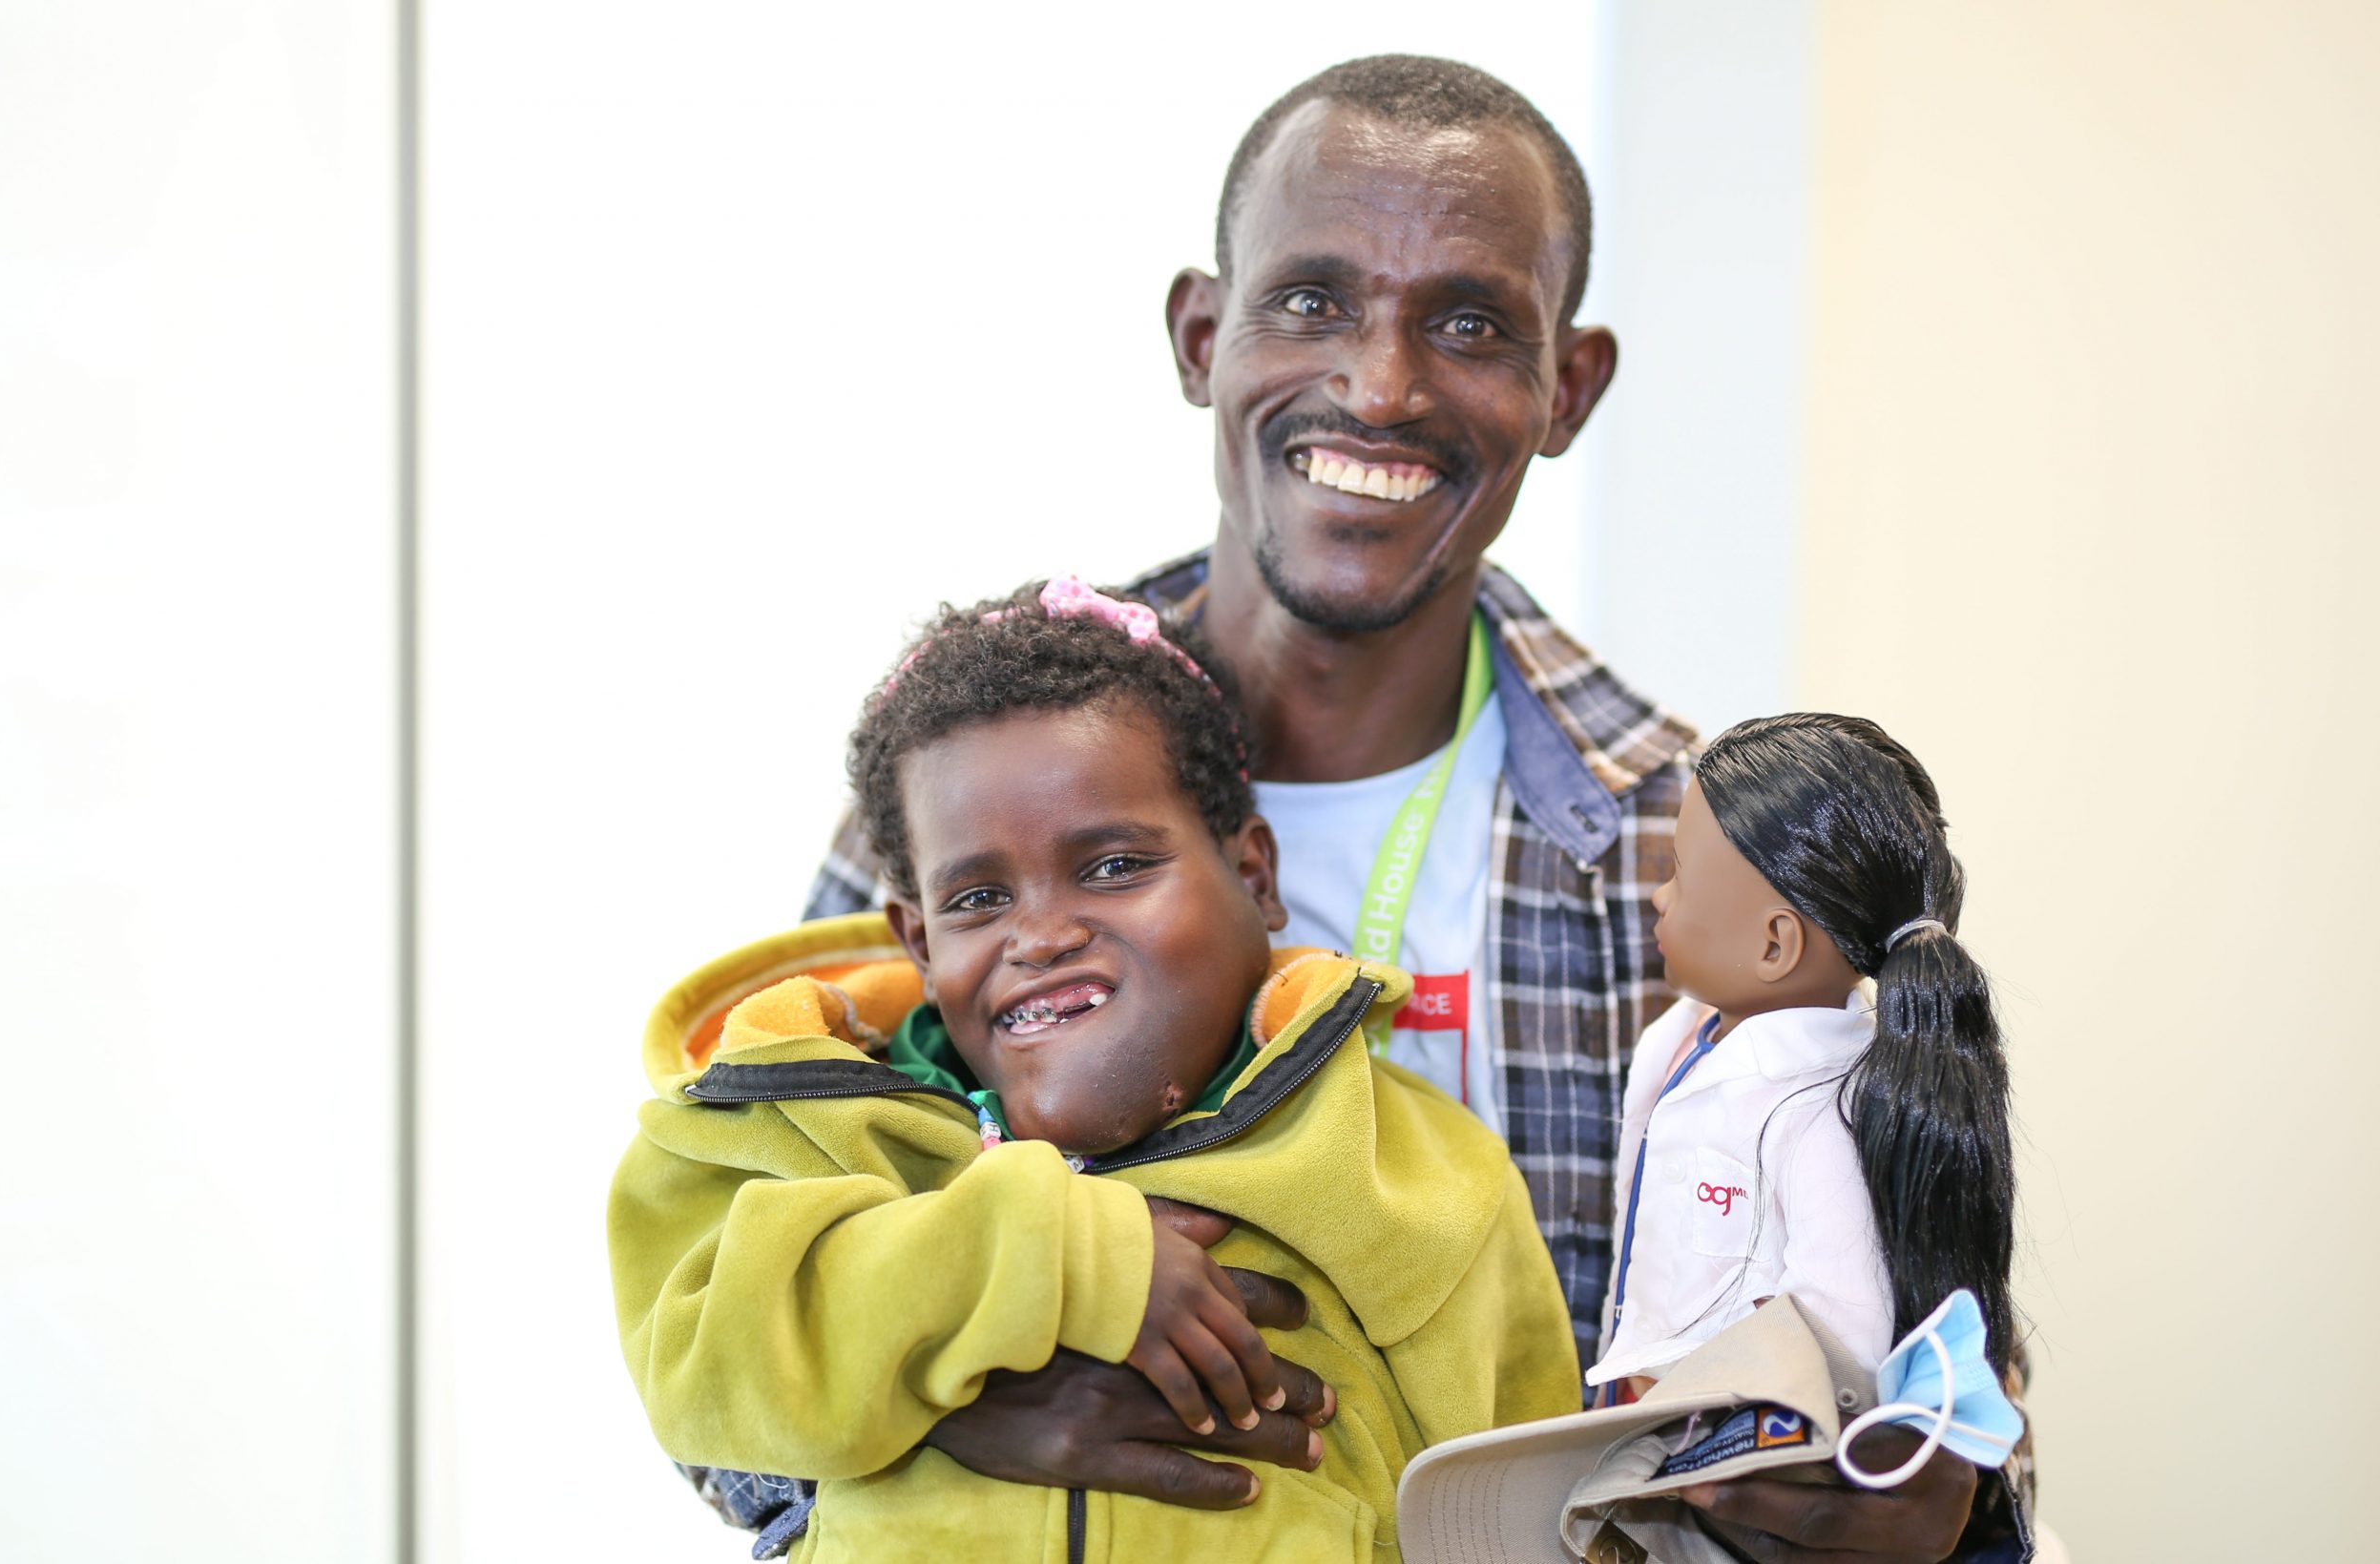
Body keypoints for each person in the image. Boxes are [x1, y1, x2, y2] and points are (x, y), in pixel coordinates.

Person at [738, 53, 2027, 1563]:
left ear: (1570, 387)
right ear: (1201, 337)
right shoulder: (962, 796)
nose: (1382, 384)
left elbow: (1933, 1381)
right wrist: (924, 1428)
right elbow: (732, 1316)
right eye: (1311, 303)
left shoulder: (1704, 852)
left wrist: (1931, 1523)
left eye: (1471, 323)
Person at [610, 578, 1582, 1560]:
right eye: (979, 896)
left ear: (1253, 875)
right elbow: (704, 1368)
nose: (1043, 933)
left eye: (1114, 865)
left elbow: (1518, 1511)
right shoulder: (800, 1127)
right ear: (917, 942)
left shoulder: (1412, 1170)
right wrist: (1059, 1255)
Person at [1588, 714, 2016, 1410]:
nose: (1658, 897)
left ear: (1775, 945)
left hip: (1729, 1460)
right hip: (1633, 1422)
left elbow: (1842, 1340)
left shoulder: (1824, 1115)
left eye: (1680, 878)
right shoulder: (1676, 1044)